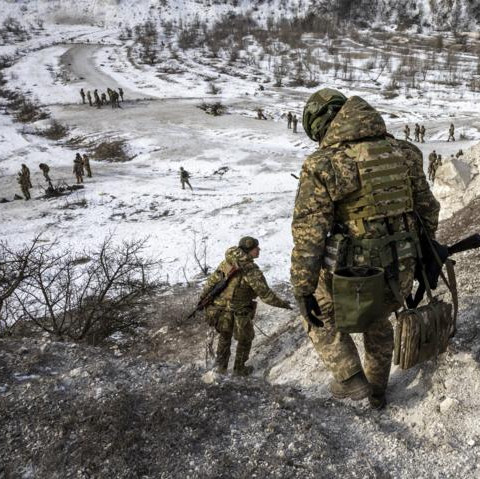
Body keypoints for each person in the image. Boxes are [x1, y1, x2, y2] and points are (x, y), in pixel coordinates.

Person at [291, 88, 439, 408]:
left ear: (319, 125)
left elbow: (309, 234)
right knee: (377, 322)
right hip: (402, 268)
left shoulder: (324, 163)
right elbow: (428, 210)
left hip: (354, 274)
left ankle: (349, 376)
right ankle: (377, 393)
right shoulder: (405, 151)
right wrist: (428, 257)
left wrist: (303, 286)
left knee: (315, 309)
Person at [201, 237, 291, 375]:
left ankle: (220, 368)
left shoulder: (227, 262)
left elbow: (211, 282)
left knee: (224, 337)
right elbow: (266, 295)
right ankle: (239, 370)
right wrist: (285, 304)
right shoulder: (251, 271)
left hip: (220, 309)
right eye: (257, 248)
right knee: (245, 339)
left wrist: (202, 298)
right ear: (249, 250)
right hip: (239, 311)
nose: (259, 250)